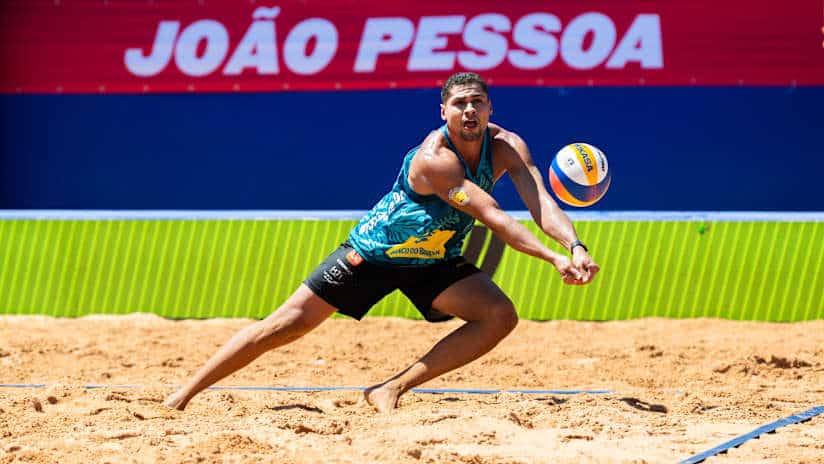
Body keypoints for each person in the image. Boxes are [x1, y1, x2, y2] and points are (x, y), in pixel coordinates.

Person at [163, 72, 600, 413]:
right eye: (459, 103)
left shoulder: (506, 146)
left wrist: (574, 246)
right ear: (443, 111)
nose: (469, 110)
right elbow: (493, 216)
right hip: (374, 253)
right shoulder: (435, 159)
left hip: (435, 258)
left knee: (499, 315)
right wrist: (550, 258)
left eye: (477, 103)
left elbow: (541, 202)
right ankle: (183, 395)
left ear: (490, 108)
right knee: (285, 325)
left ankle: (389, 388)